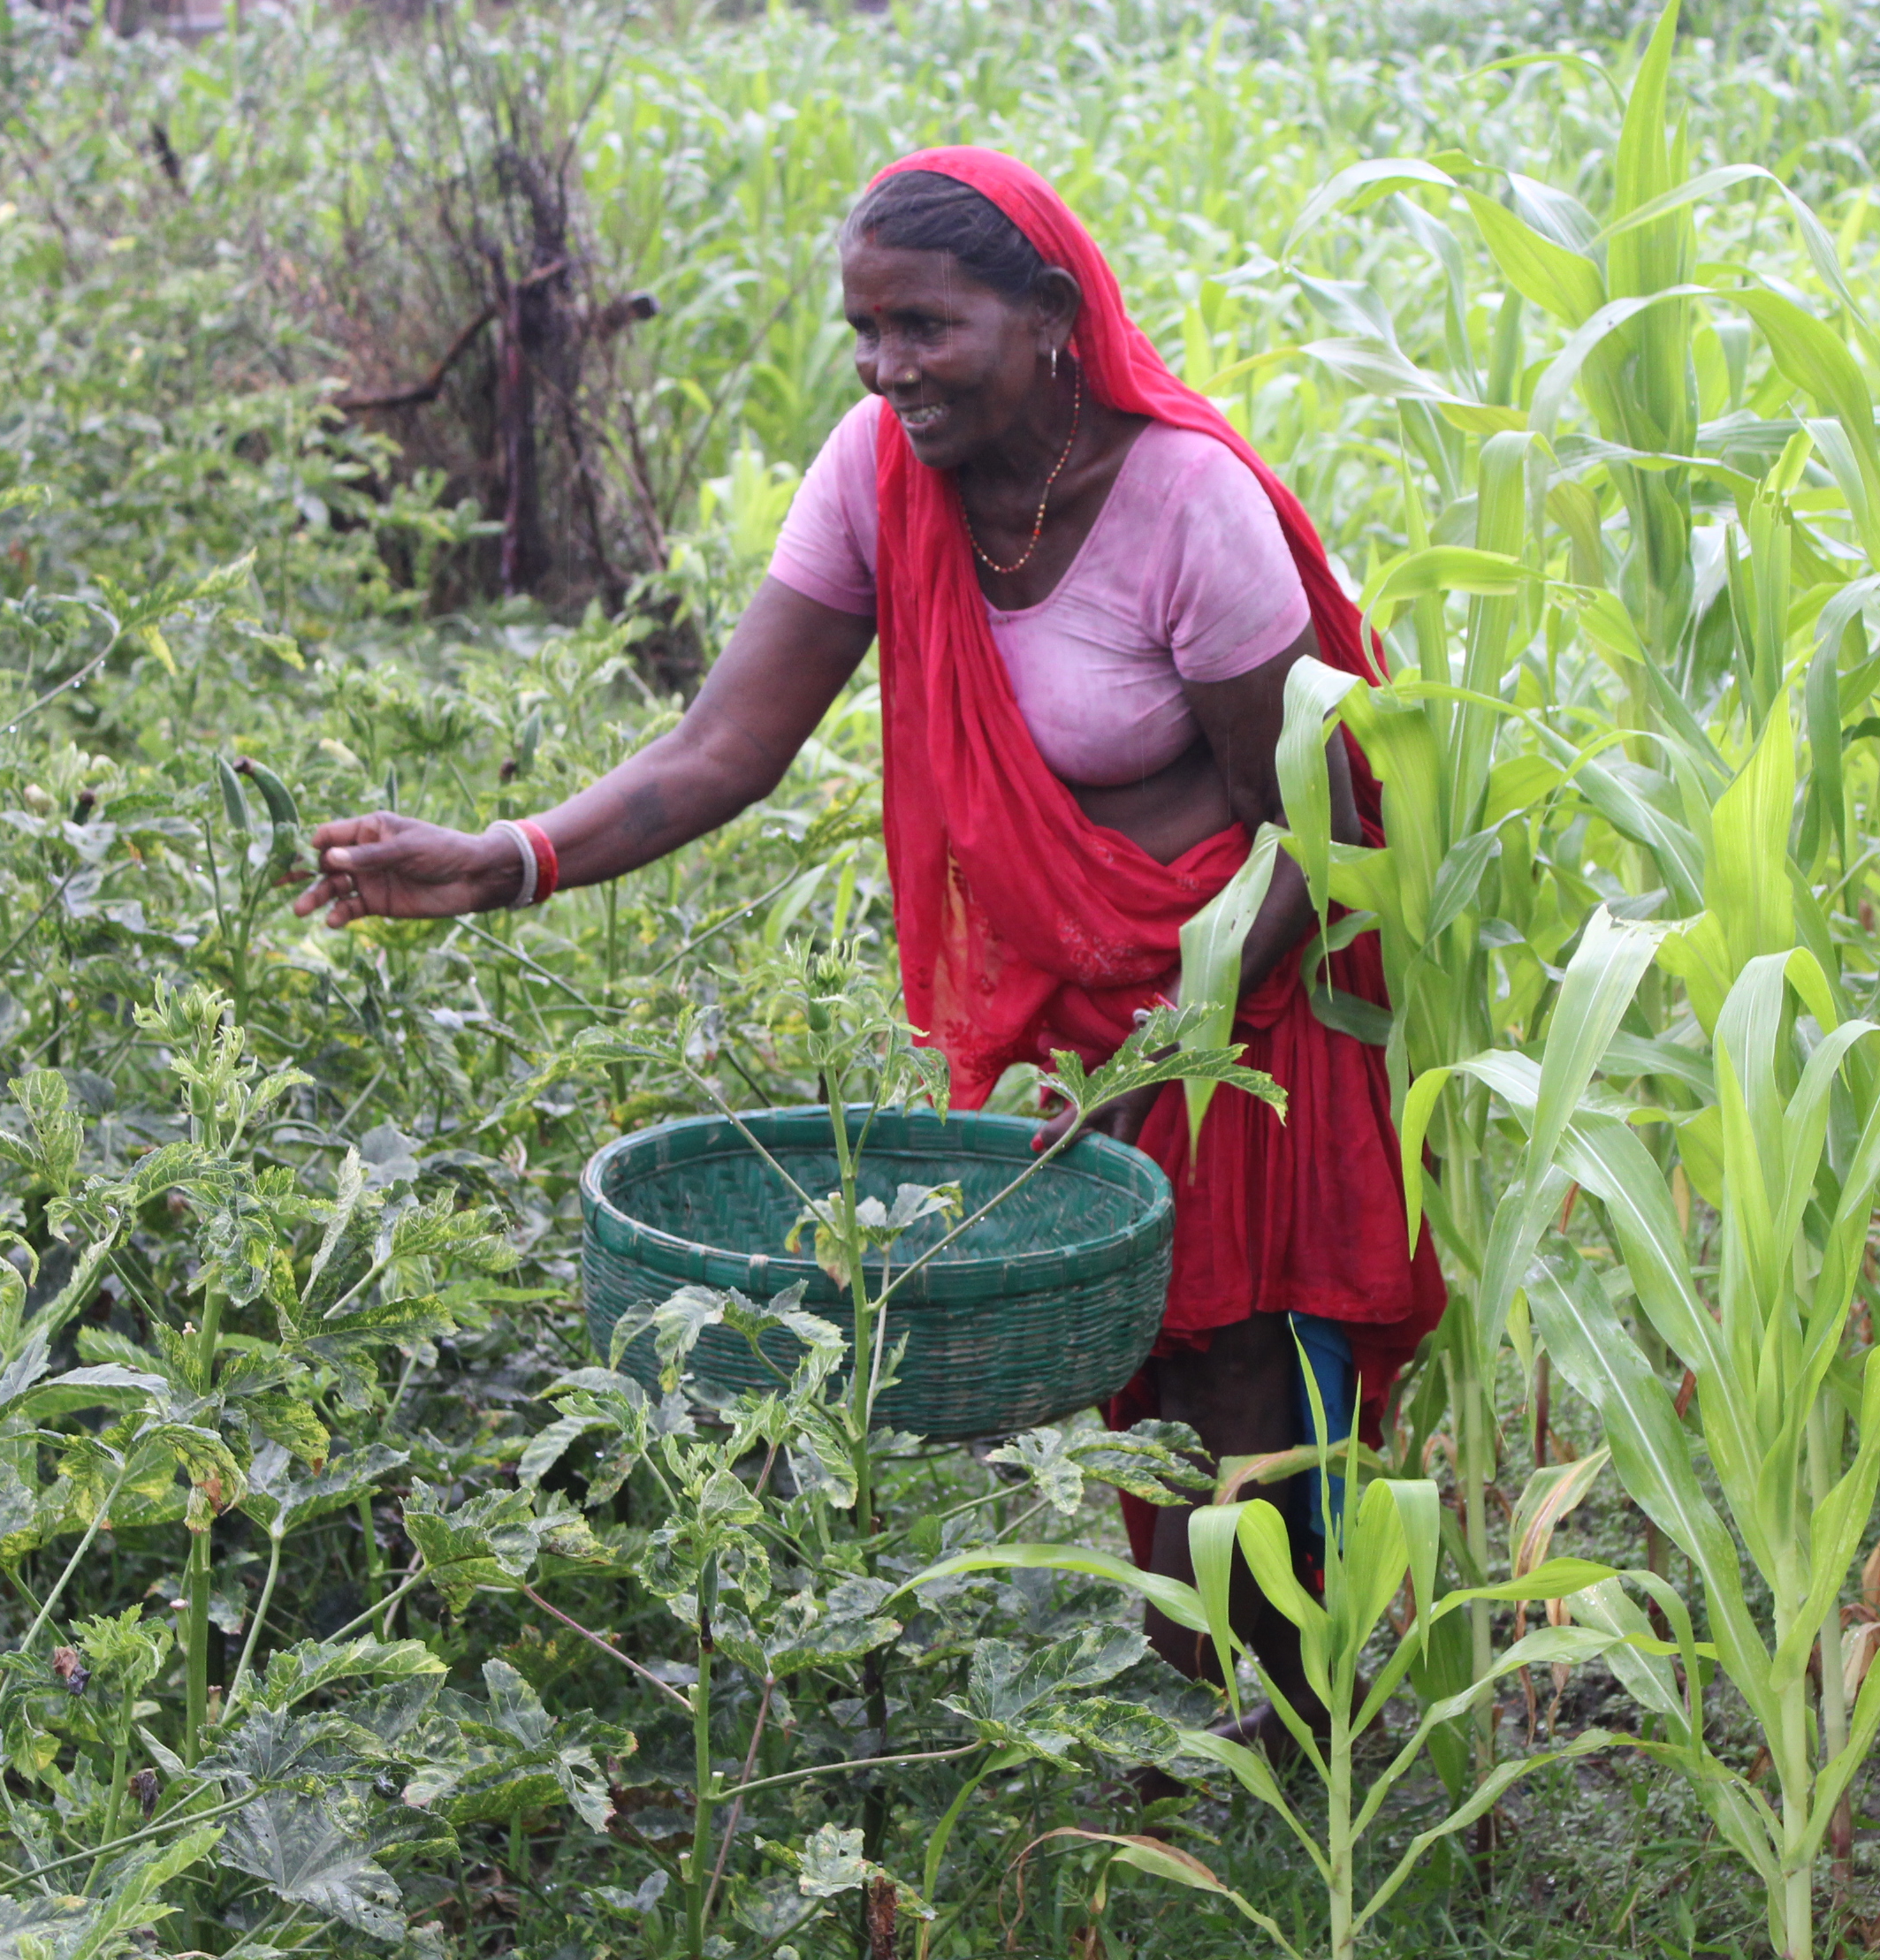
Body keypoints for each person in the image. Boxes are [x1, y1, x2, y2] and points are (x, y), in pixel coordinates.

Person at [291, 146, 1442, 1736]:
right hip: (1077, 997)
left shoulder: (1190, 505)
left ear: (1052, 317)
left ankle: (1299, 1731)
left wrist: (1170, 1043)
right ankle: (1211, 1731)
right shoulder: (879, 472)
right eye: (867, 331)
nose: (889, 368)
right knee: (1145, 1373)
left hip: (1236, 979)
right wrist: (505, 860)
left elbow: (1319, 831)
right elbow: (723, 747)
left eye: (927, 326)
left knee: (1234, 1360)